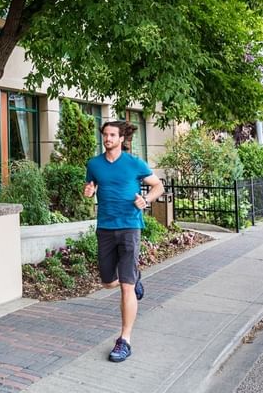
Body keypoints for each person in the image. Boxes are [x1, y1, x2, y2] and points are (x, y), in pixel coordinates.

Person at [84, 120, 164, 362]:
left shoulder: (133, 163)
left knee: (125, 286)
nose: (107, 138)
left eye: (112, 135)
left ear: (121, 139)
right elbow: (91, 186)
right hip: (105, 228)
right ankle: (135, 276)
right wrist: (88, 191)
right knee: (109, 282)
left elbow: (158, 185)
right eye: (105, 135)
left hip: (130, 227)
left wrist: (146, 200)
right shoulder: (94, 164)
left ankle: (124, 340)